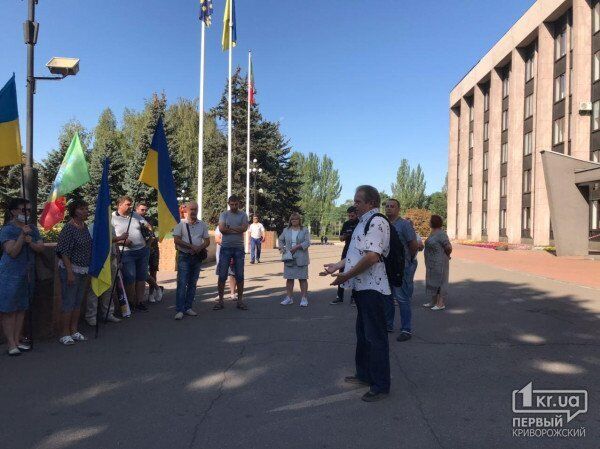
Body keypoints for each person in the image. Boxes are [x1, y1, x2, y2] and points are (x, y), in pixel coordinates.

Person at [321, 185, 391, 402]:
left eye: (358, 201)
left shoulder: (377, 221)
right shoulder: (362, 222)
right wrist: (337, 266)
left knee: (375, 338)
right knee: (363, 335)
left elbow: (372, 257)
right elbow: (355, 253)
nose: (355, 205)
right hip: (362, 288)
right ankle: (364, 374)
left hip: (374, 289)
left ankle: (380, 385)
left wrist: (346, 275)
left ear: (370, 202)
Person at [0, 198, 44, 356]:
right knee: (9, 310)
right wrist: (21, 236)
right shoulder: (7, 230)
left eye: (29, 210)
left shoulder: (32, 228)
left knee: (21, 308)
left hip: (27, 273)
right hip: (10, 274)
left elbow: (40, 247)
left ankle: (18, 340)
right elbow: (12, 252)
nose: (27, 213)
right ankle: (11, 343)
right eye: (23, 210)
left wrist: (30, 241)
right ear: (13, 211)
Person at [56, 200, 93, 345]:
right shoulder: (69, 228)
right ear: (74, 211)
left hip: (83, 269)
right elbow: (63, 252)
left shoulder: (84, 227)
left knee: (78, 301)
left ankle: (74, 330)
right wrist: (70, 272)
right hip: (71, 269)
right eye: (82, 209)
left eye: (86, 208)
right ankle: (64, 333)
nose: (85, 211)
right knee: (69, 301)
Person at [384, 199, 419, 341]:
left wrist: (408, 261)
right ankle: (388, 324)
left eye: (392, 206)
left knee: (402, 298)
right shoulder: (383, 224)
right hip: (386, 267)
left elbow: (413, 245)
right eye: (386, 206)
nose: (389, 209)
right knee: (387, 297)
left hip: (401, 268)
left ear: (398, 209)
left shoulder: (404, 225)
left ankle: (406, 329)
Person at [111, 196, 150, 312]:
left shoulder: (134, 215)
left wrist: (148, 236)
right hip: (127, 252)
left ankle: (140, 301)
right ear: (120, 204)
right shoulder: (112, 218)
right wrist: (122, 241)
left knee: (141, 277)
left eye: (131, 204)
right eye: (128, 204)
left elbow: (147, 225)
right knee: (130, 277)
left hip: (142, 250)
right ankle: (130, 302)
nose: (130, 206)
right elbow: (110, 237)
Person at [172, 201, 210, 320]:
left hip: (197, 257)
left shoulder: (202, 225)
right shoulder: (181, 225)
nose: (193, 212)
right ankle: (179, 310)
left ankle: (188, 307)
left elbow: (207, 241)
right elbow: (176, 240)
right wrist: (190, 246)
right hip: (184, 256)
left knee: (193, 283)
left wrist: (199, 248)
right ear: (186, 210)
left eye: (195, 209)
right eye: (191, 209)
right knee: (182, 283)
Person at [215, 195, 249, 310]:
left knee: (240, 275)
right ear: (228, 203)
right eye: (232, 204)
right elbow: (222, 229)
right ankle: (220, 301)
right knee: (222, 275)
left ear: (239, 203)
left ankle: (240, 301)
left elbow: (244, 228)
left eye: (236, 204)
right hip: (225, 248)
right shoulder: (224, 215)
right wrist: (236, 229)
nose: (234, 206)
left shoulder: (243, 215)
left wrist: (229, 228)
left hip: (239, 248)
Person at [84, 222, 121, 326]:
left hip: (111, 260)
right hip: (99, 262)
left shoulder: (111, 227)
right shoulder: (92, 227)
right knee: (95, 289)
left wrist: (118, 259)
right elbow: (94, 242)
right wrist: (118, 238)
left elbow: (115, 244)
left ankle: (108, 313)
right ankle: (91, 316)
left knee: (109, 288)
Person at [278, 212, 311, 307]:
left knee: (302, 279)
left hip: (301, 257)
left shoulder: (304, 230)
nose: (294, 221)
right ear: (290, 221)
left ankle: (304, 298)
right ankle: (289, 298)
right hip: (289, 257)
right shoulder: (286, 230)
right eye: (292, 219)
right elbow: (280, 240)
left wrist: (297, 247)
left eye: (296, 219)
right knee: (289, 279)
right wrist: (282, 248)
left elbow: (307, 242)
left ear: (299, 220)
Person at [135, 202, 163, 303]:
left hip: (153, 248)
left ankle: (151, 294)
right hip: (141, 248)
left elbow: (152, 233)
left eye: (145, 210)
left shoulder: (149, 219)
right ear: (136, 209)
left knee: (153, 271)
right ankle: (156, 288)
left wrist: (150, 244)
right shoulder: (133, 219)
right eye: (142, 210)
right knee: (141, 272)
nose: (144, 212)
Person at [330, 206, 358, 305]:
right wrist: (345, 235)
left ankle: (354, 298)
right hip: (347, 250)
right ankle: (339, 296)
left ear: (357, 214)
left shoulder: (360, 223)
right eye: (349, 215)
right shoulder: (346, 224)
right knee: (341, 271)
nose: (350, 217)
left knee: (356, 272)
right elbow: (341, 238)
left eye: (352, 215)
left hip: (357, 251)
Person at [423, 215, 452, 311]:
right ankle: (433, 301)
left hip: (440, 262)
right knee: (432, 281)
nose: (428, 222)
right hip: (431, 262)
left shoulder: (441, 234)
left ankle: (441, 303)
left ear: (434, 222)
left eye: (430, 220)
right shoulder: (433, 232)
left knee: (440, 281)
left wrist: (447, 255)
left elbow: (448, 247)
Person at [215, 227, 237, 300]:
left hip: (233, 253)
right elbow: (217, 239)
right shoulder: (219, 227)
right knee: (221, 275)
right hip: (222, 255)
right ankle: (220, 295)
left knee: (232, 274)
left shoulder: (235, 226)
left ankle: (232, 293)